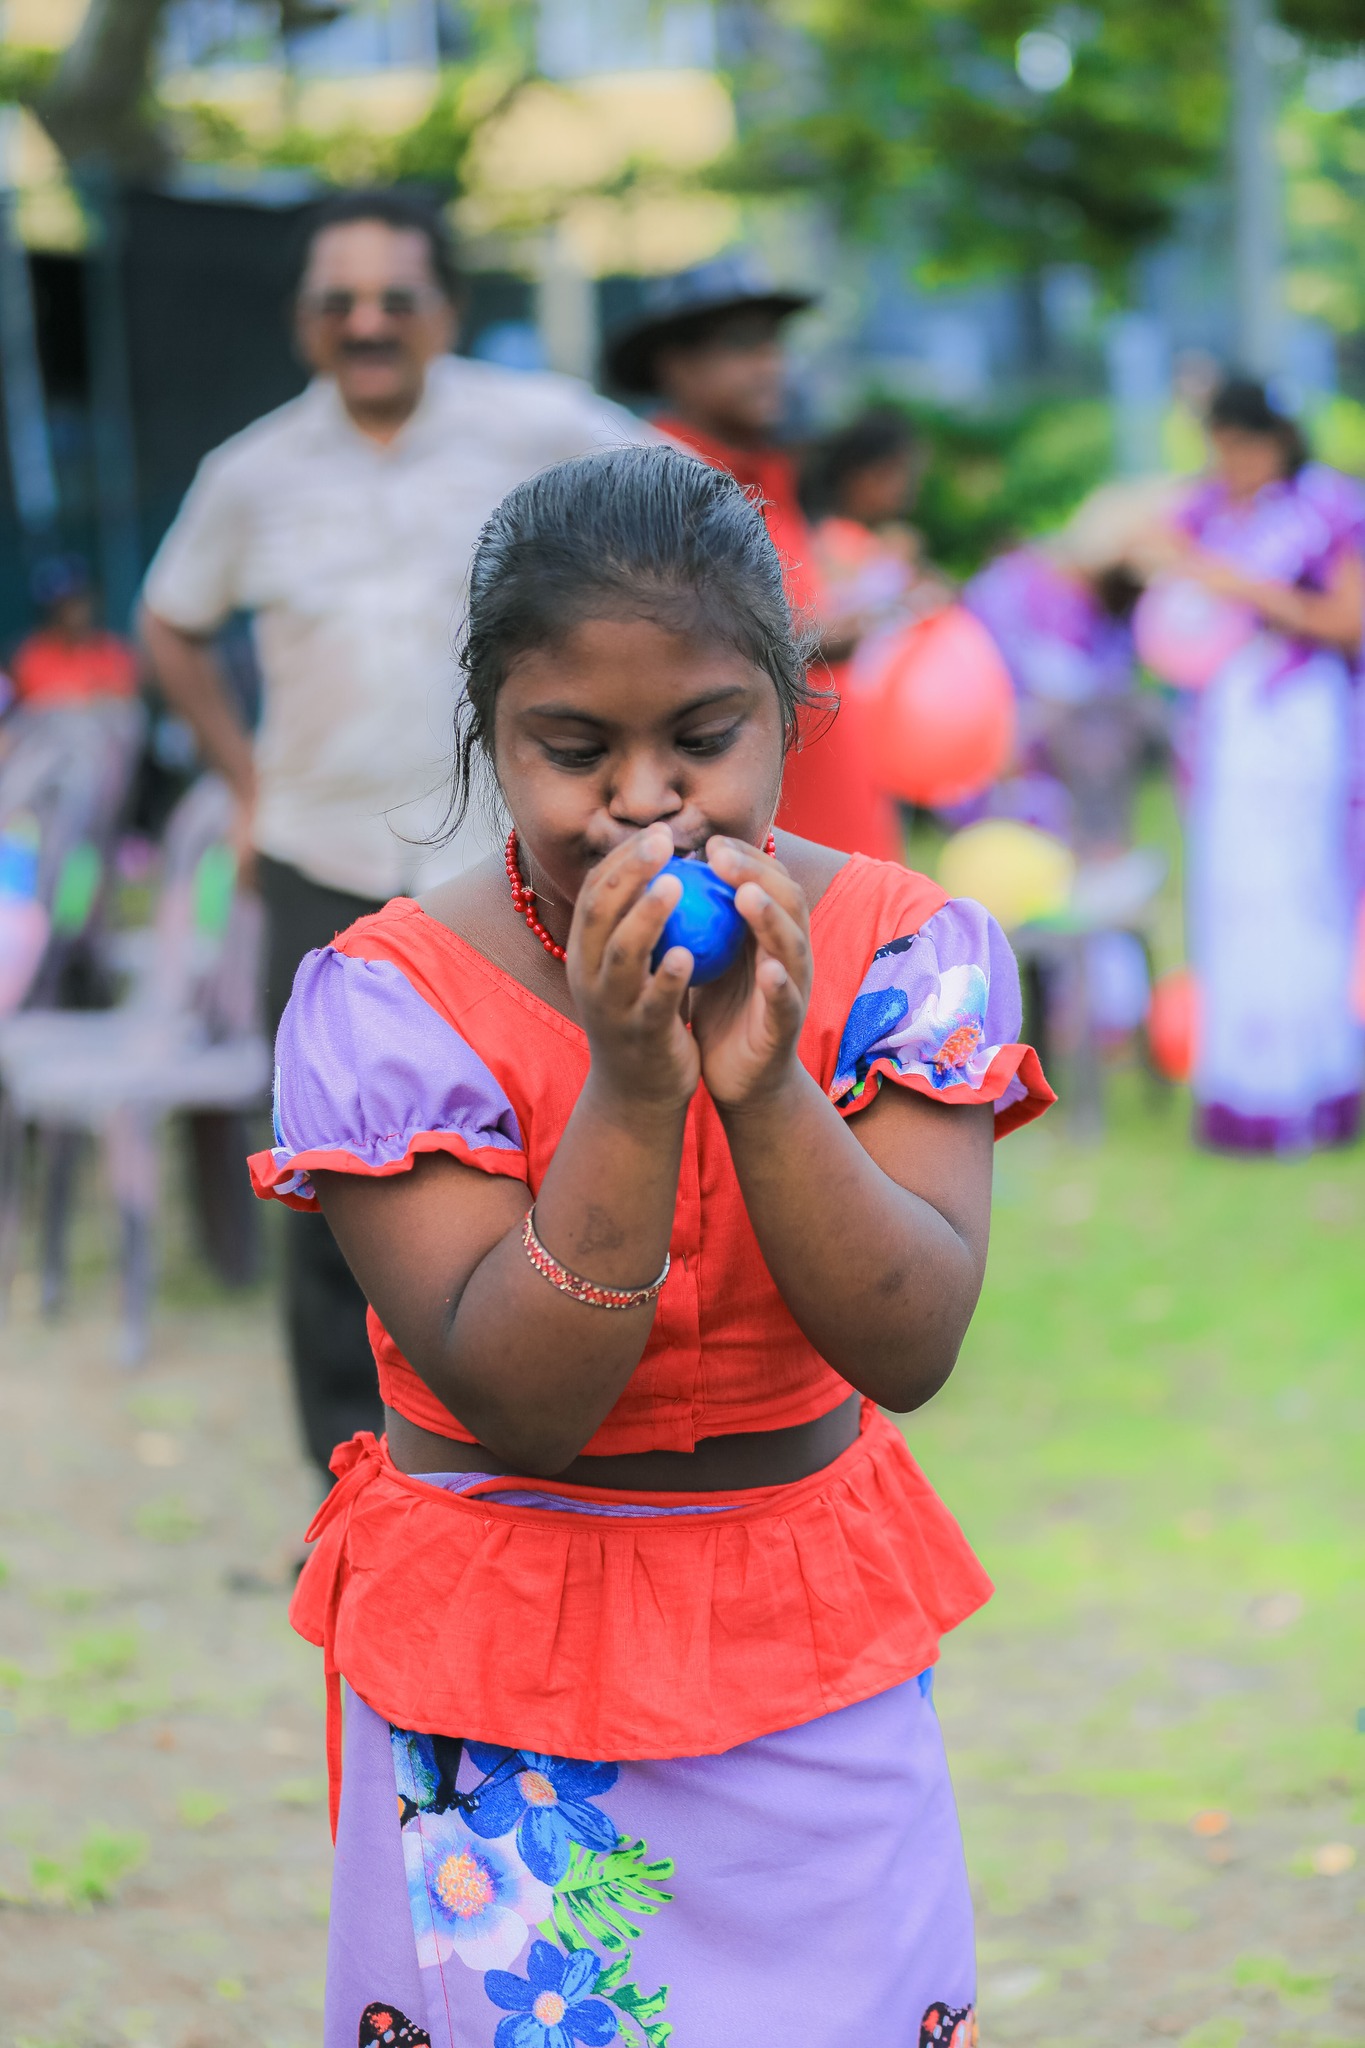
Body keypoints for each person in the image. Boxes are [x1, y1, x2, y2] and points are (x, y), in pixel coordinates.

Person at [249, 444, 1054, 2041]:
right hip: (506, 1682)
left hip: (805, 1657)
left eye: (701, 738)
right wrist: (632, 1086)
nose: (641, 798)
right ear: (491, 738)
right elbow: (522, 1400)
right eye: (572, 748)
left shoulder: (908, 951)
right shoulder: (388, 1002)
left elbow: (909, 1346)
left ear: (784, 710)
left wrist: (764, 1094)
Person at [140, 188, 650, 1485]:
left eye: (394, 299)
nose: (366, 323)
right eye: (337, 302)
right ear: (303, 320)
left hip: (515, 860)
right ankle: (356, 1474)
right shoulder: (249, 474)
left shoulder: (537, 430)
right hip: (326, 860)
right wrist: (245, 781)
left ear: (446, 309)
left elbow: (675, 515)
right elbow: (171, 620)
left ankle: (552, 1445)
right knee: (335, 1177)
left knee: (552, 1138)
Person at [605, 255, 902, 862]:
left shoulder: (766, 471)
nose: (770, 366)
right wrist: (804, 646)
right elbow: (658, 662)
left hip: (831, 821)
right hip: (744, 852)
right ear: (676, 363)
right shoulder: (656, 485)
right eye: (743, 347)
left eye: (773, 345)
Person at [1159, 377, 1365, 1152]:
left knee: (1298, 895)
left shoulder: (1325, 507)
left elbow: (1347, 621)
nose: (1227, 460)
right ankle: (1243, 1092)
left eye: (1238, 443)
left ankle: (1309, 1089)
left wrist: (1244, 588)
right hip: (1227, 725)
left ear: (1272, 440)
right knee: (1234, 896)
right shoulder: (1206, 514)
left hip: (1299, 720)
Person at [9, 555, 140, 708]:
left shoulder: (114, 650)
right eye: (63, 605)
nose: (73, 612)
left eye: (79, 601)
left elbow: (128, 702)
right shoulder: (31, 656)